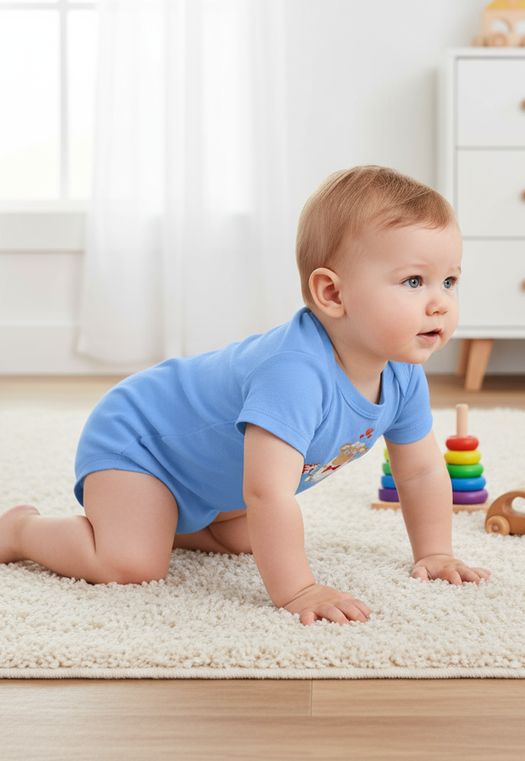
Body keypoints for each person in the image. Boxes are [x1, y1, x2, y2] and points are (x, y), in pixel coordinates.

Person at [0, 165, 490, 625]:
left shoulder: (402, 374)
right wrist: (299, 590)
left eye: (449, 281)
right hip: (142, 442)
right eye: (413, 281)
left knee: (247, 538)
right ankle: (22, 529)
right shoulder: (295, 373)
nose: (440, 302)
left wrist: (435, 551)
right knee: (133, 565)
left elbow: (421, 470)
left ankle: (168, 519)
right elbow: (267, 491)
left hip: (211, 475)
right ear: (333, 294)